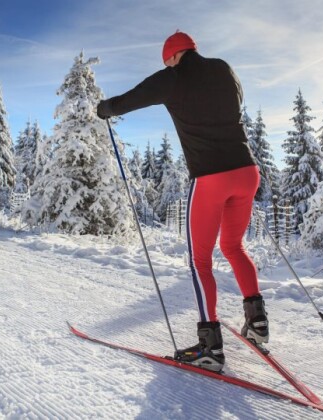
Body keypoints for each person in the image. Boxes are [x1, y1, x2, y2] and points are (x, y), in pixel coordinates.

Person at [97, 31, 269, 372]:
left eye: (166, 60)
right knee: (234, 246)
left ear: (174, 56)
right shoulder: (224, 68)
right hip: (247, 172)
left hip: (211, 178)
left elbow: (134, 97)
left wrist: (106, 108)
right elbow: (234, 100)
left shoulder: (172, 78)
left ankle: (210, 348)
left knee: (200, 260)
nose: (167, 65)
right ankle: (258, 323)